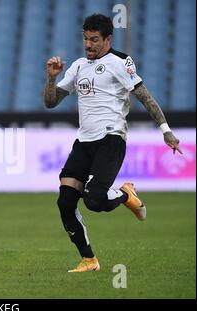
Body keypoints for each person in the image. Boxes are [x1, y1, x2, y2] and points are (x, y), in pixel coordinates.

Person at [43, 14, 182, 273]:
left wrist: (166, 131)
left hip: (110, 139)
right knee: (65, 202)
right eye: (85, 39)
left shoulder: (120, 62)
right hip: (84, 141)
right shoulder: (78, 66)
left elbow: (146, 97)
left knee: (94, 201)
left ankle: (125, 194)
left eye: (94, 40)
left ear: (108, 39)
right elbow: (51, 102)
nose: (88, 45)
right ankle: (89, 260)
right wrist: (51, 78)